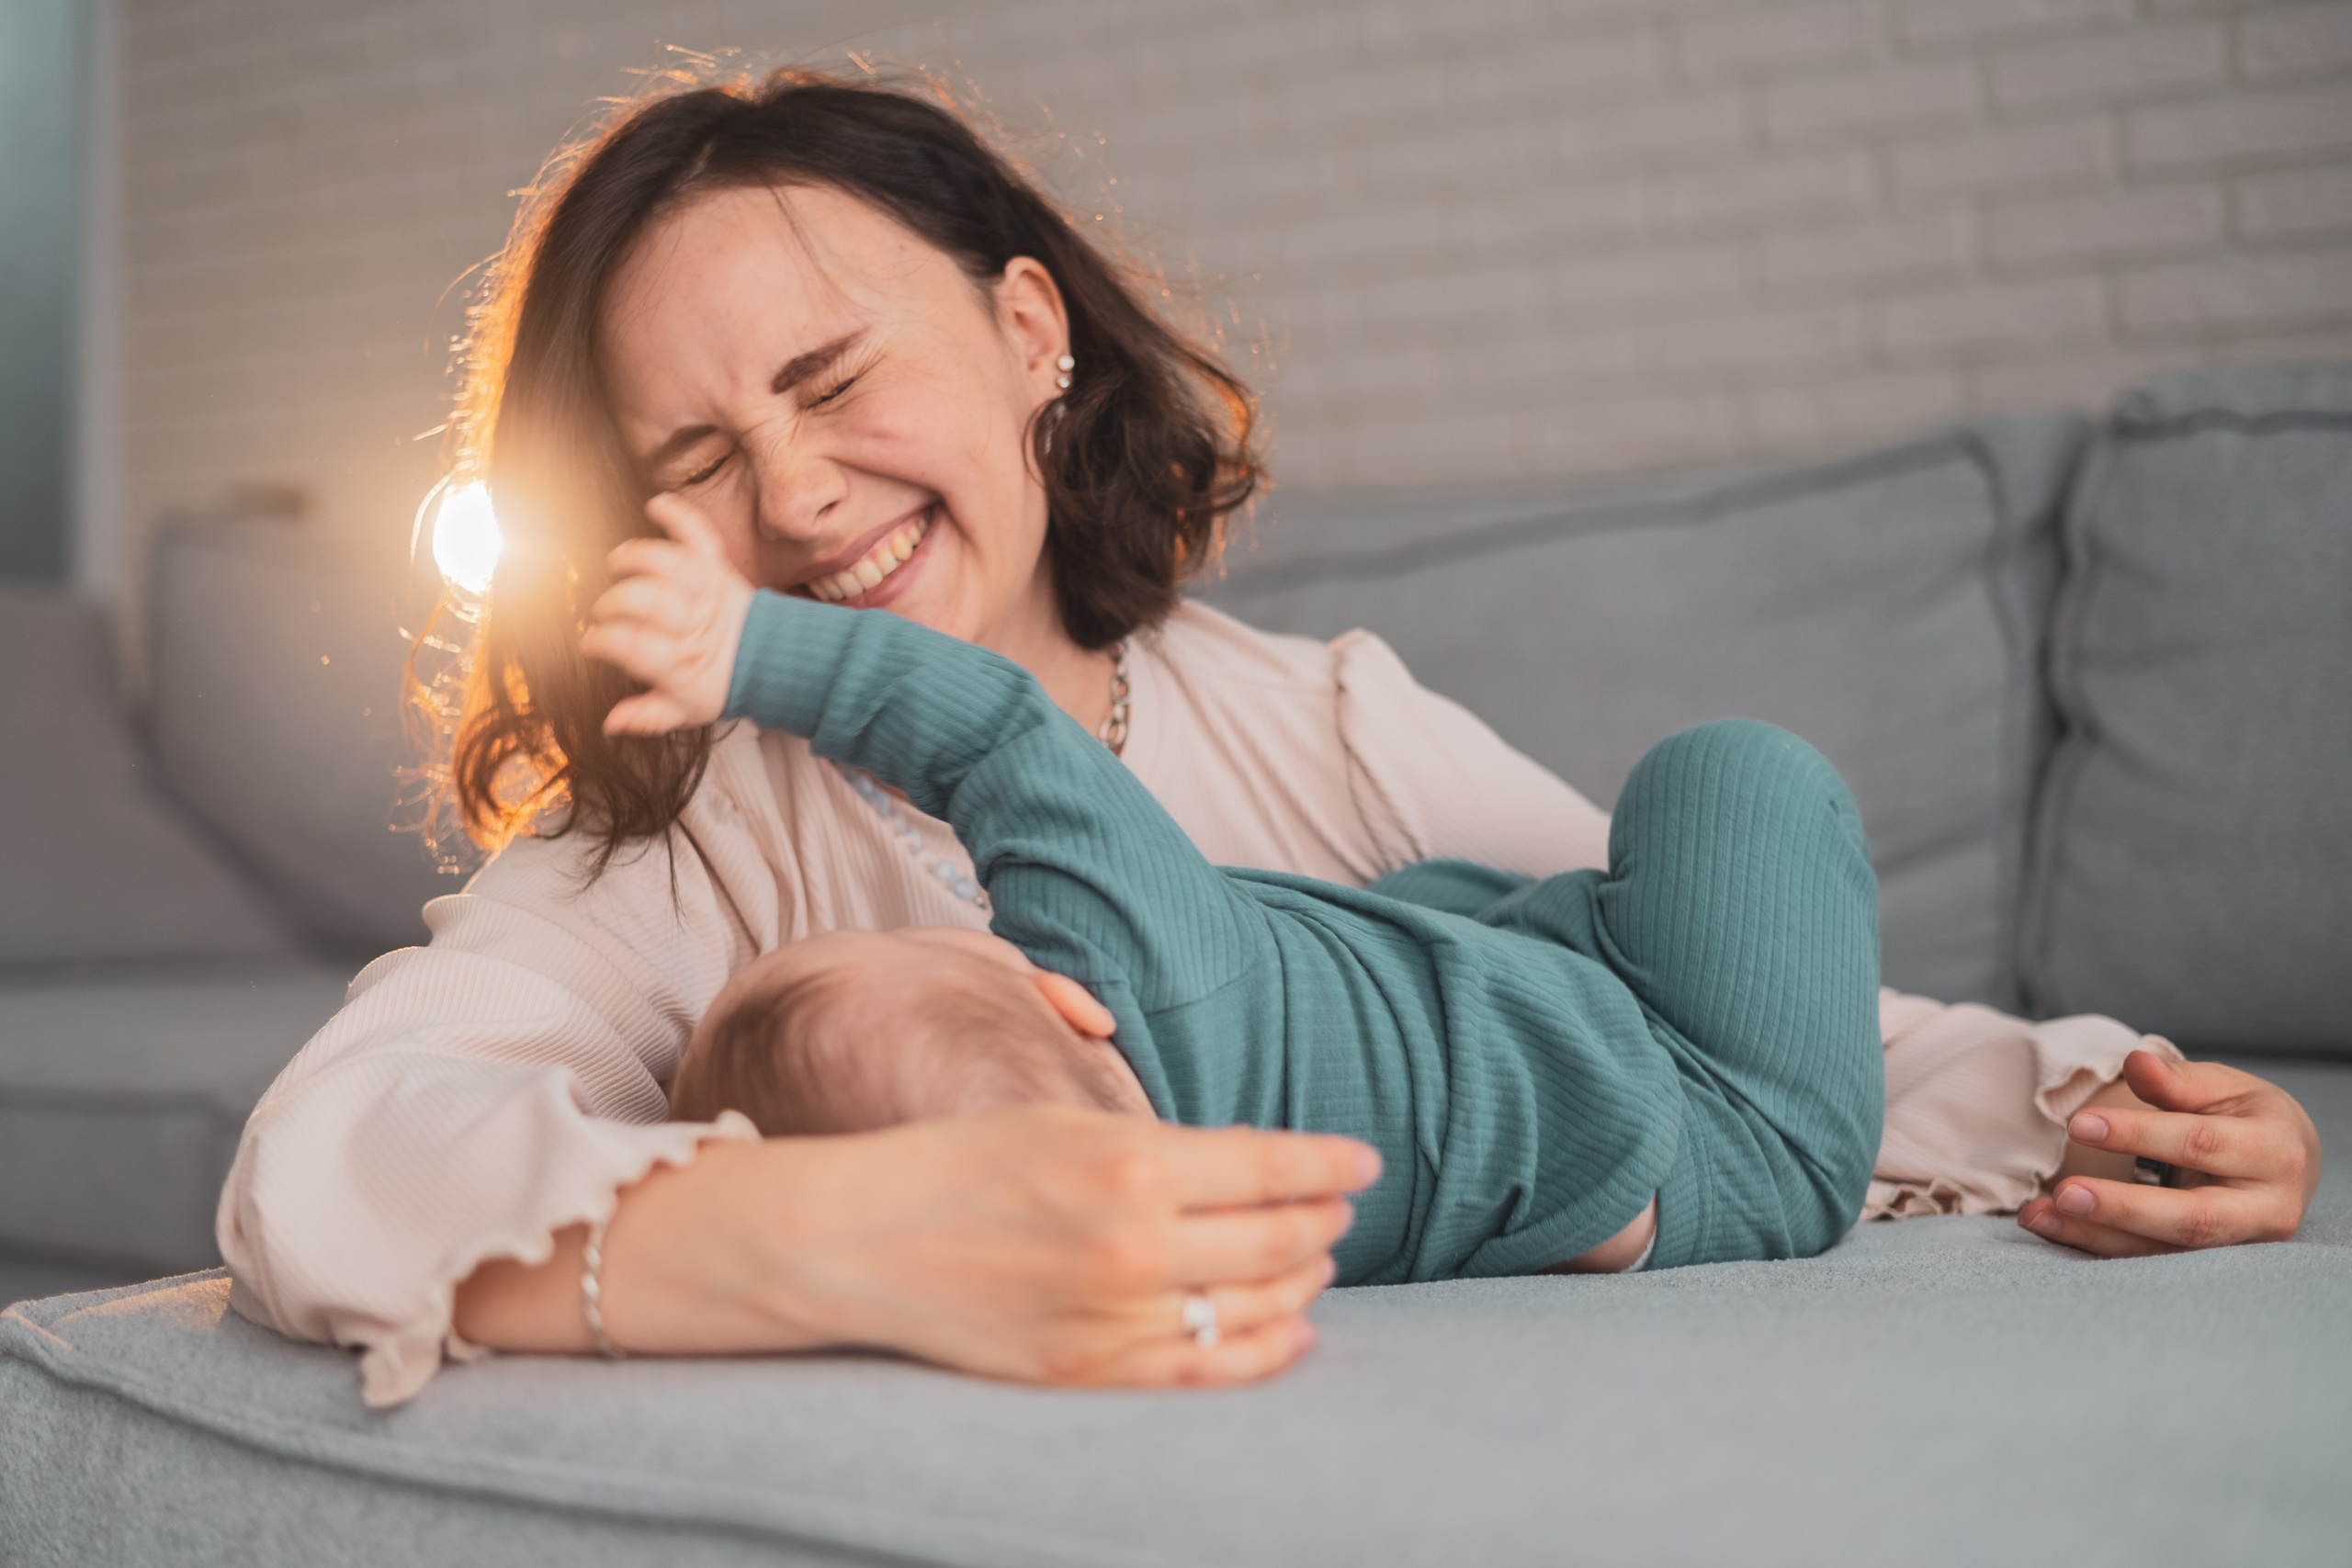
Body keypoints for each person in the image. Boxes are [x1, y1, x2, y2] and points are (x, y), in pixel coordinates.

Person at [217, 67, 2322, 1409]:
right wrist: (848, 1232)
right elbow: (332, 1154)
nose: (790, 495)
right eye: (697, 455)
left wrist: (2104, 1103)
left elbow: (1741, 1012)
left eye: (835, 375)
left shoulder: (1315, 719)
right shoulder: (675, 843)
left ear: (1027, 334)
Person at [608, 515, 1885, 1277]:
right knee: (1733, 774)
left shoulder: (1205, 1236)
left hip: (1573, 1059)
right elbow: (996, 737)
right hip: (1740, 1117)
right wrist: (747, 648)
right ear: (1062, 995)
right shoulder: (1141, 967)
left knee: (1412, 922)